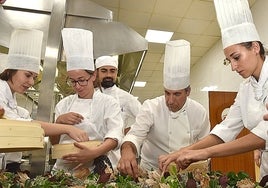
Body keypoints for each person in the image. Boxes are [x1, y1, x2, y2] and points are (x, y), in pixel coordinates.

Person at [159, 0, 268, 179]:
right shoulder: (245, 88)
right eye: (229, 61)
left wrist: (205, 153)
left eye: (236, 57)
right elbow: (226, 129)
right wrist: (183, 151)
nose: (233, 67)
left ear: (255, 47)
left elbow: (262, 135)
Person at [117, 40, 210, 178]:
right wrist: (127, 150)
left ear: (188, 91)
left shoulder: (199, 112)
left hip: (184, 174)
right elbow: (135, 135)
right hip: (151, 172)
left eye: (177, 94)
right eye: (167, 93)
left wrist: (192, 160)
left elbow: (205, 146)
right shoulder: (151, 107)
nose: (170, 100)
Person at [0, 29, 89, 172]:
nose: (31, 82)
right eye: (28, 75)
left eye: (34, 78)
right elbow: (18, 124)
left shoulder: (11, 97)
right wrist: (67, 128)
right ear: (10, 70)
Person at [50, 28, 123, 173]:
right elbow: (54, 142)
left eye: (82, 80)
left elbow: (115, 136)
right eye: (72, 81)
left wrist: (94, 153)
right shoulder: (63, 104)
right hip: (63, 169)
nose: (77, 86)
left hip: (95, 167)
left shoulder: (108, 102)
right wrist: (59, 122)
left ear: (94, 76)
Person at [95, 55, 141, 135]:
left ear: (116, 73)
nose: (108, 75)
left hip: (117, 146)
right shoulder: (90, 96)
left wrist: (131, 130)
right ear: (96, 73)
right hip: (93, 143)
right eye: (104, 71)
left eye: (112, 71)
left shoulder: (127, 98)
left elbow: (145, 118)